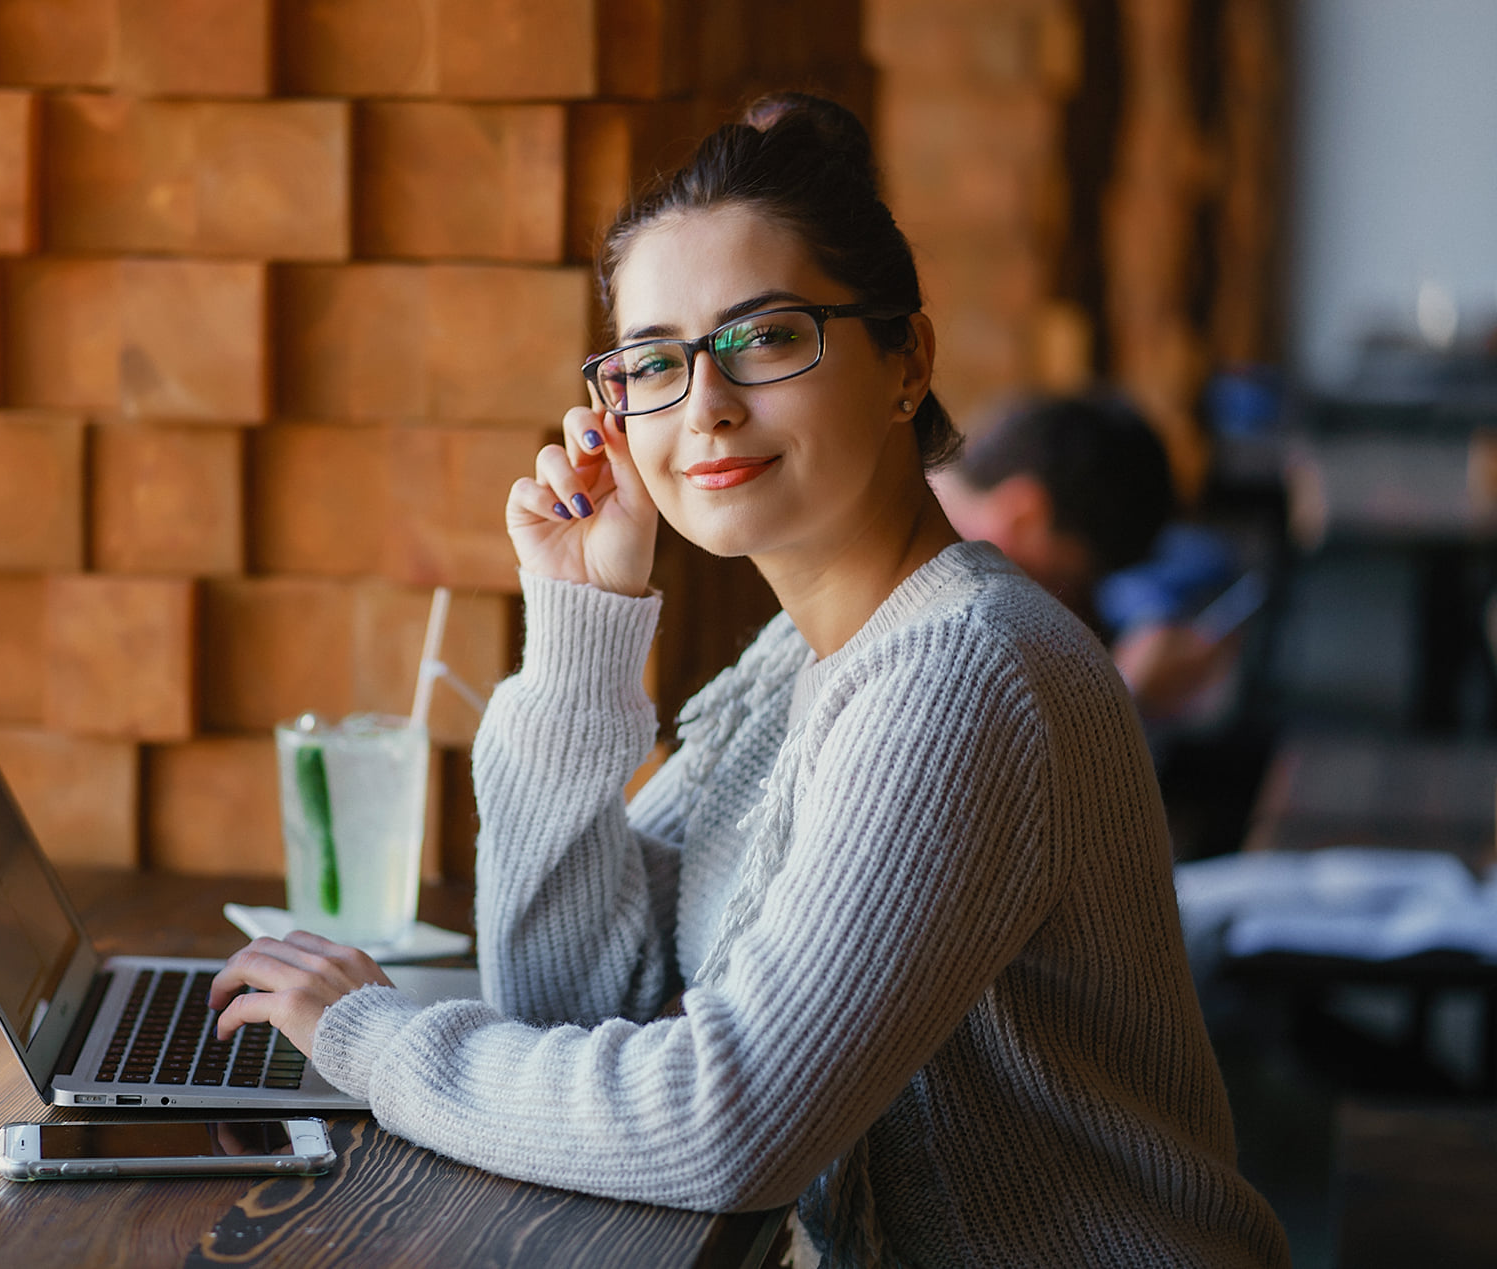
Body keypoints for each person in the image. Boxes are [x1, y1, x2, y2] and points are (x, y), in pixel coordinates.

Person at [208, 94, 1289, 1267]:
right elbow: (572, 1001)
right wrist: (581, 619)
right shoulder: (801, 658)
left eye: (767, 338)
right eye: (654, 362)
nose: (707, 406)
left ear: (904, 360)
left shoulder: (962, 674)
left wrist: (371, 1044)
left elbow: (723, 1125)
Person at [932, 394, 1245, 723]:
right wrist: (1125, 694)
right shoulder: (946, 616)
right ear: (1024, 517)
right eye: (1066, 578)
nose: (1064, 603)